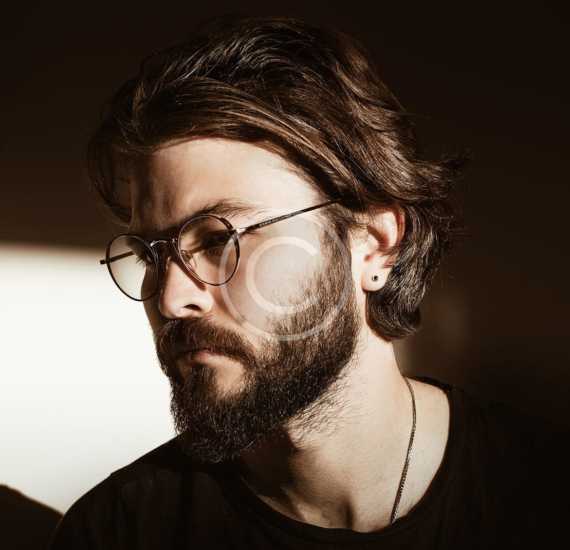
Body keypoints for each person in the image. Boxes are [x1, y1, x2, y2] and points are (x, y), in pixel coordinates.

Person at [49, 15, 567, 549]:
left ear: (376, 243)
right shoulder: (118, 531)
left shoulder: (542, 496)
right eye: (151, 255)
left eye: (218, 239)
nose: (172, 298)